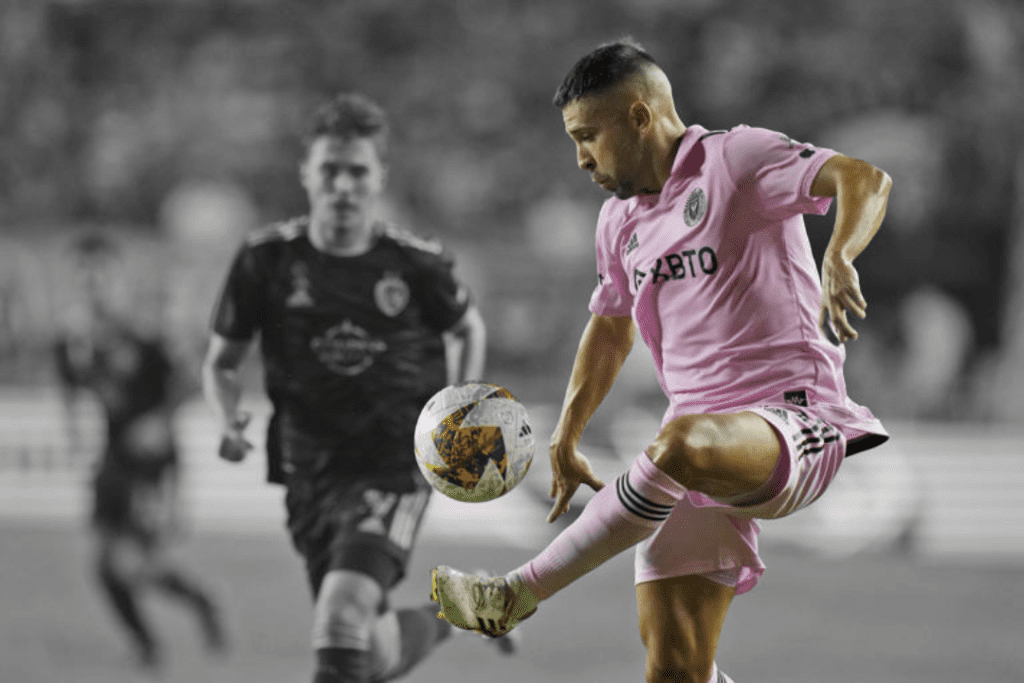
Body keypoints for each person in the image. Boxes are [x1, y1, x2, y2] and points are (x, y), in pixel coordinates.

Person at [430, 40, 893, 683]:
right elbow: (611, 323)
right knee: (677, 672)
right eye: (573, 140)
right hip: (696, 448)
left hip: (793, 422)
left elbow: (863, 177)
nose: (580, 157)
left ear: (639, 117)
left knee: (679, 443)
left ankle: (515, 594)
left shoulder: (736, 159)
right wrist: (568, 432)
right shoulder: (617, 219)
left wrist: (840, 252)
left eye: (588, 135)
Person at [201, 92, 499, 683]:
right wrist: (227, 418)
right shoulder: (266, 261)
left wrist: (456, 410)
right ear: (306, 174)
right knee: (368, 648)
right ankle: (452, 613)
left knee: (339, 616)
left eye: (357, 171)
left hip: (395, 464)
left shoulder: (415, 265)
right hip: (308, 470)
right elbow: (221, 364)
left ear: (379, 178)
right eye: (330, 170)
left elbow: (467, 326)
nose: (343, 185)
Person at [55, 233, 225, 671]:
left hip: (152, 466)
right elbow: (72, 385)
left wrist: (161, 419)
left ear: (115, 276)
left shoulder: (143, 331)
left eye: (99, 273)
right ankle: (164, 633)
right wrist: (72, 421)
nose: (91, 283)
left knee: (127, 565)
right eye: (83, 275)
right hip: (112, 461)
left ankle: (162, 637)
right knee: (110, 569)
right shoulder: (75, 337)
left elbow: (189, 379)